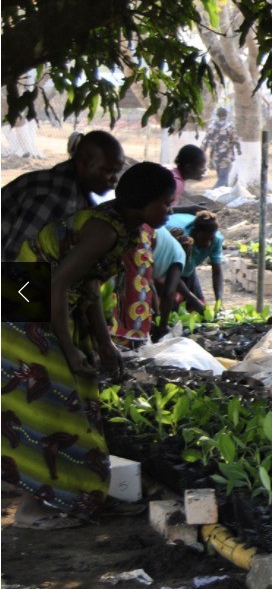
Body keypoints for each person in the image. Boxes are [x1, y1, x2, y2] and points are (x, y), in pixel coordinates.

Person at [2, 162, 175, 529]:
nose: (170, 210)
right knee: (49, 406)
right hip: (27, 297)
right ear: (143, 201)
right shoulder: (104, 230)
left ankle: (78, 494)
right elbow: (59, 283)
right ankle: (32, 508)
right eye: (166, 202)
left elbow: (91, 286)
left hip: (47, 299)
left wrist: (104, 343)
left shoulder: (121, 226)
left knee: (79, 398)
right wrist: (69, 349)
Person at [2, 131, 125, 261]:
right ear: (86, 161)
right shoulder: (56, 197)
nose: (114, 179)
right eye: (109, 171)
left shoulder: (74, 191)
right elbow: (18, 259)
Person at [164, 210, 225, 315]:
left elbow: (217, 272)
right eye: (204, 239)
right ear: (194, 233)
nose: (208, 243)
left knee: (198, 309)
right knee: (170, 306)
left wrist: (219, 301)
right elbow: (171, 273)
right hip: (166, 269)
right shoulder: (181, 238)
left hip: (188, 269)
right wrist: (192, 298)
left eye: (211, 239)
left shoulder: (216, 239)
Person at [149, 226, 187, 340]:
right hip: (148, 235)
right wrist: (163, 326)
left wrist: (157, 316)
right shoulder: (180, 255)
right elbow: (169, 293)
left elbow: (150, 286)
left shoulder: (167, 249)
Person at [203, 107, 240, 189]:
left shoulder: (211, 127)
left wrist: (202, 151)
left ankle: (223, 194)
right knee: (223, 178)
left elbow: (205, 141)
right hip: (226, 157)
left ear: (217, 115)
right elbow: (235, 140)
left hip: (215, 157)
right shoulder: (230, 127)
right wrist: (239, 150)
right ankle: (212, 193)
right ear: (226, 115)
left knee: (222, 177)